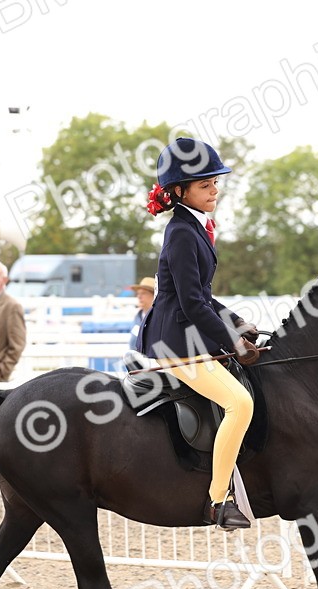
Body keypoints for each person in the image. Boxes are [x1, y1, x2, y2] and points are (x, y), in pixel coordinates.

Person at [138, 137, 260, 530]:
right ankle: (217, 501)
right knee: (240, 404)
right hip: (175, 341)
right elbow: (192, 304)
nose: (215, 191)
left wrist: (239, 323)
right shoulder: (181, 233)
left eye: (215, 183)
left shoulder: (195, 228)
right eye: (206, 185)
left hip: (187, 333)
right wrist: (233, 343)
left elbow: (204, 296)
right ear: (180, 191)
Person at [127, 277, 156, 351]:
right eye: (138, 293)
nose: (139, 297)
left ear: (154, 296)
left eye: (144, 293)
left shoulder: (159, 318)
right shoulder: (138, 317)